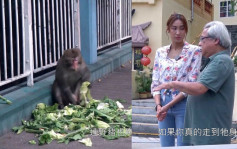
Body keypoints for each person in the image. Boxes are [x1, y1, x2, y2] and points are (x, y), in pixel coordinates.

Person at [154, 21, 234, 145]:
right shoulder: (213, 61)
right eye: (173, 28)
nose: (200, 43)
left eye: (203, 39)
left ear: (216, 40)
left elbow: (199, 88)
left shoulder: (221, 61)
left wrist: (172, 84)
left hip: (211, 135)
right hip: (203, 132)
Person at [151, 13, 202, 147]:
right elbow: (156, 83)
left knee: (183, 145)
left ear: (186, 30)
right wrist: (158, 106)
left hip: (184, 105)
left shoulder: (194, 51)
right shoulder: (160, 52)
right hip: (163, 104)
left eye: (181, 28)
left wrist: (166, 107)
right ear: (168, 29)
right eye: (174, 28)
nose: (178, 32)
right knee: (165, 145)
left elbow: (191, 84)